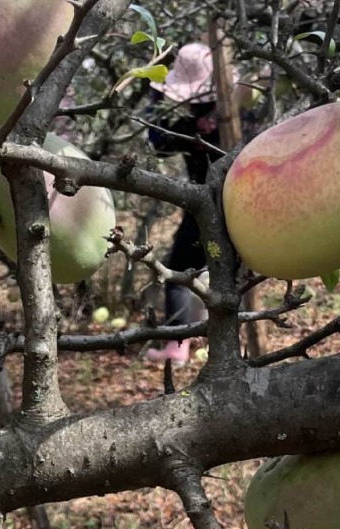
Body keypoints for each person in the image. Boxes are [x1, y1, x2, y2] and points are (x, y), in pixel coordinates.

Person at [144, 42, 230, 364]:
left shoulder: (208, 123)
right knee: (230, 272)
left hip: (208, 205)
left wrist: (156, 94)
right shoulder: (223, 116)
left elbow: (155, 139)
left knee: (179, 269)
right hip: (231, 204)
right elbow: (158, 142)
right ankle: (205, 340)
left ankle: (178, 344)